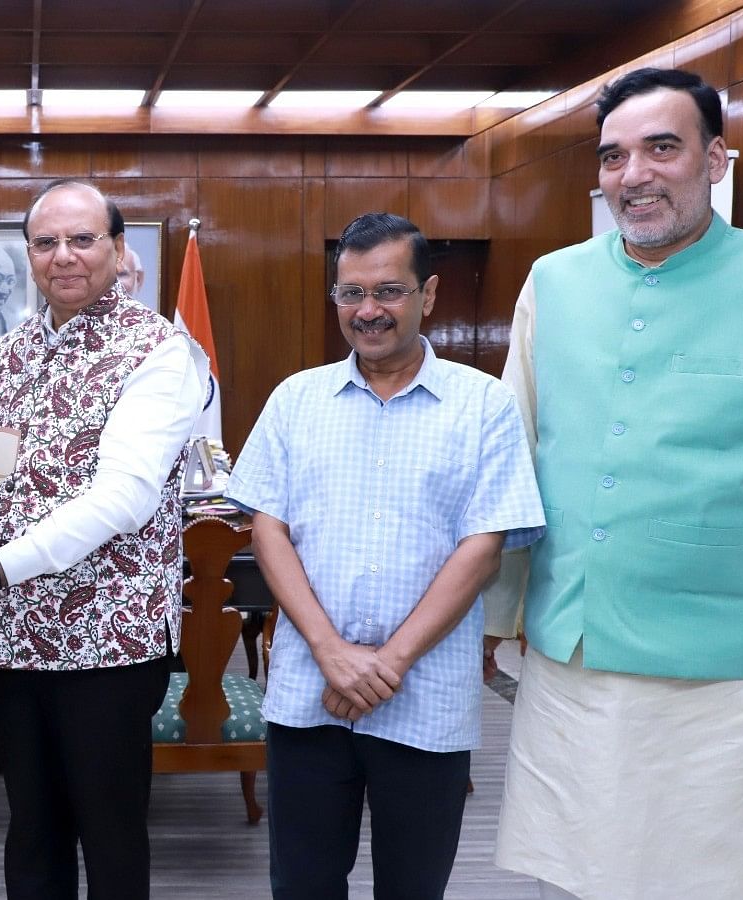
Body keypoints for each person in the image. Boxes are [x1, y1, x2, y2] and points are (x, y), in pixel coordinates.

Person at [486, 67, 743, 900]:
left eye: (662, 148)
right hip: (574, 664)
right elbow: (514, 469)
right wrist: (496, 615)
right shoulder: (554, 282)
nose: (634, 175)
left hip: (733, 685)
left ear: (716, 160)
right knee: (574, 879)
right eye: (615, 157)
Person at [228, 213, 545, 899]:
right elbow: (267, 528)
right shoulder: (295, 399)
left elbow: (484, 547)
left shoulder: (483, 405)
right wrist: (331, 652)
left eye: (390, 291)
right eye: (351, 293)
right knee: (302, 884)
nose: (368, 311)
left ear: (428, 295)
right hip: (310, 694)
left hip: (425, 697)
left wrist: (390, 660)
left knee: (414, 885)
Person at [0, 179, 208, 899]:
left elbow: (124, 498)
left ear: (117, 249)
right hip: (17, 638)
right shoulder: (8, 352)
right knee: (32, 833)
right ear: (29, 255)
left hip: (110, 642)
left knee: (109, 837)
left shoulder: (160, 350)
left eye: (82, 239)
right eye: (46, 243)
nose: (64, 257)